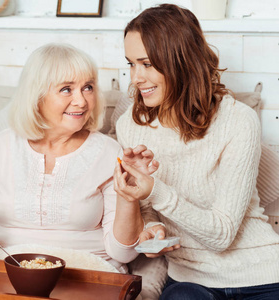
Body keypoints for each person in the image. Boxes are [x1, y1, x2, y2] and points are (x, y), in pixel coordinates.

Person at [115, 4, 279, 299]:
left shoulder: (238, 120)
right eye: (131, 64)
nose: (136, 77)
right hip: (190, 281)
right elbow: (148, 205)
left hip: (260, 276)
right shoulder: (131, 126)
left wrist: (156, 189)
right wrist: (152, 226)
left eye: (147, 64)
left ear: (181, 61)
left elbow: (222, 235)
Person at [0, 43, 155, 273]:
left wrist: (128, 197)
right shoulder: (0, 146)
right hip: (6, 271)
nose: (82, 101)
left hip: (86, 273)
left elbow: (123, 253)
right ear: (37, 96)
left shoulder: (109, 152)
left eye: (87, 87)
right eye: (66, 89)